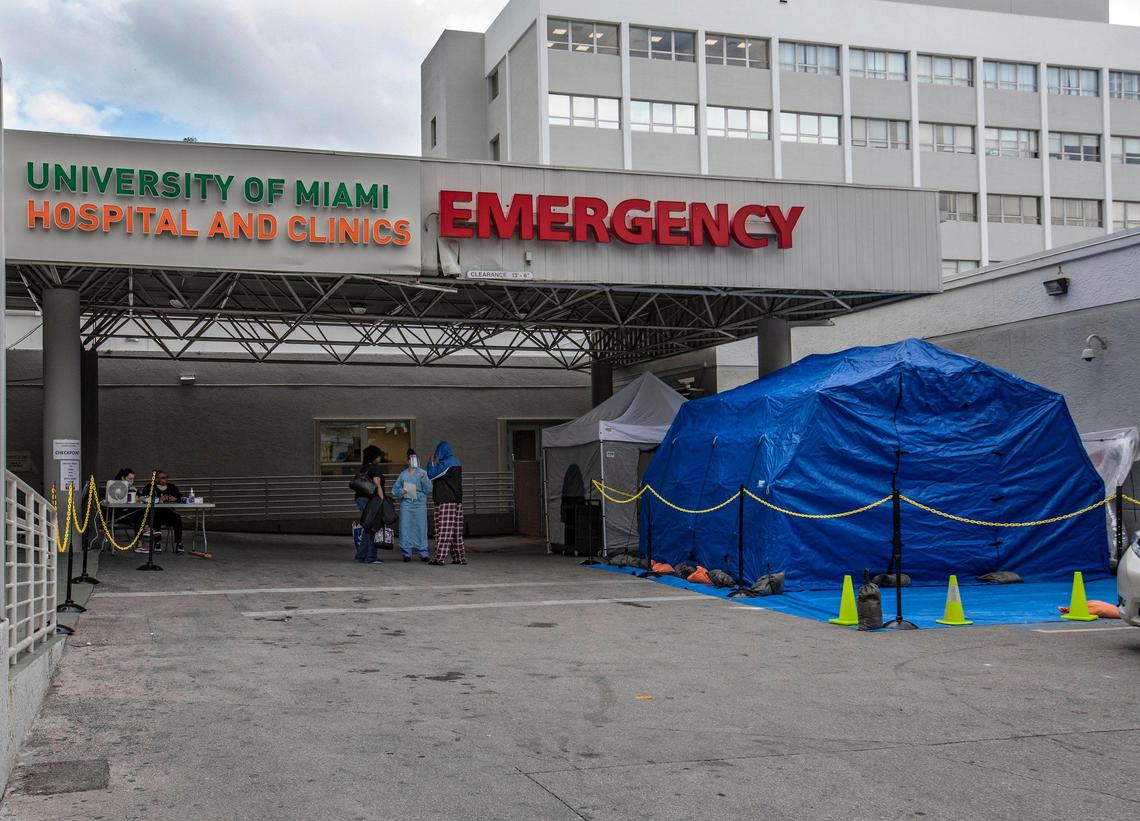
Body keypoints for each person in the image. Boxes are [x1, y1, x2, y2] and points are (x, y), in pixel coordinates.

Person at [427, 441, 465, 565]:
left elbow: (431, 475)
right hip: (457, 500)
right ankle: (459, 558)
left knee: (443, 530)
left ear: (441, 451)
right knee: (456, 532)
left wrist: (430, 462)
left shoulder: (446, 463)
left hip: (445, 501)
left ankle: (439, 558)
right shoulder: (457, 462)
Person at [395, 449, 432, 562]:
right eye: (410, 459)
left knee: (421, 527)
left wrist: (424, 479)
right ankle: (407, 552)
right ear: (407, 461)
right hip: (406, 503)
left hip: (420, 504)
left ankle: (423, 551)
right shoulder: (403, 475)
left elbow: (429, 489)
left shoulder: (423, 473)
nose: (412, 462)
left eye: (415, 459)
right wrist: (402, 492)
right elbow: (395, 490)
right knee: (405, 527)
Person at [354, 446, 386, 564]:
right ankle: (371, 557)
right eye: (378, 455)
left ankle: (361, 555)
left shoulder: (364, 468)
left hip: (360, 499)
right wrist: (382, 499)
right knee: (372, 528)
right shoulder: (375, 468)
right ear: (374, 456)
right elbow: (377, 484)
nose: (380, 457)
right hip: (370, 500)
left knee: (367, 528)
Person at [145, 470, 185, 554]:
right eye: (163, 478)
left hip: (168, 513)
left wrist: (175, 498)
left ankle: (179, 543)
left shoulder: (171, 487)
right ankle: (157, 542)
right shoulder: (150, 487)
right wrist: (159, 499)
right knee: (156, 516)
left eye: (166, 478)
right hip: (154, 513)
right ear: (156, 479)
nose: (165, 479)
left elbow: (180, 497)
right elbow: (145, 498)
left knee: (177, 518)